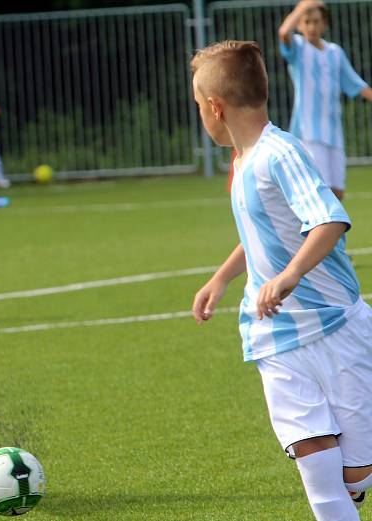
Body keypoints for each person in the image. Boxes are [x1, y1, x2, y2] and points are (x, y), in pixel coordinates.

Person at [191, 40, 372, 521]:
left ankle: (357, 483)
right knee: (318, 470)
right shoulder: (241, 161)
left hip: (338, 328)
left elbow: (329, 221)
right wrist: (223, 278)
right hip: (276, 335)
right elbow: (261, 232)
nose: (201, 116)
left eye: (197, 106)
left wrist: (292, 274)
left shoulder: (280, 151)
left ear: (215, 107)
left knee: (355, 475)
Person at [278, 0, 372, 200]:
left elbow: (357, 84)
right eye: (307, 21)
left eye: (316, 21)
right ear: (300, 25)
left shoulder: (335, 52)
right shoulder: (299, 48)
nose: (312, 27)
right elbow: (284, 32)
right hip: (309, 131)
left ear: (324, 24)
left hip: (333, 131)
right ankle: (315, 231)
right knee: (320, 190)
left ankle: (334, 232)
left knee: (337, 192)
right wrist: (302, 6)